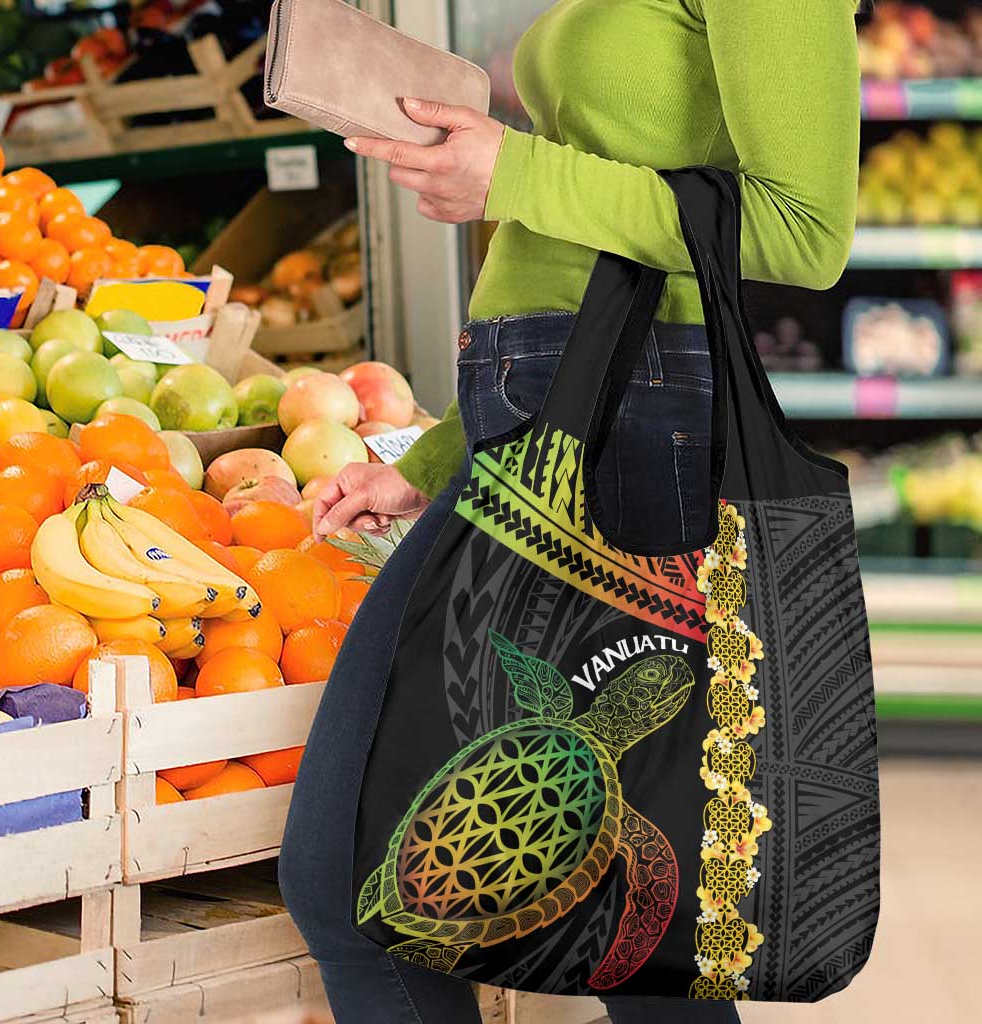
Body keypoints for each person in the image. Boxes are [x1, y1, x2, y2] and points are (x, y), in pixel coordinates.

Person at [279, 2, 863, 1021]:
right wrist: (436, 456)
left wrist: (514, 172)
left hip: (634, 437)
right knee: (626, 937)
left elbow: (804, 229)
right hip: (546, 425)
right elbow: (581, 243)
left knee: (352, 872)